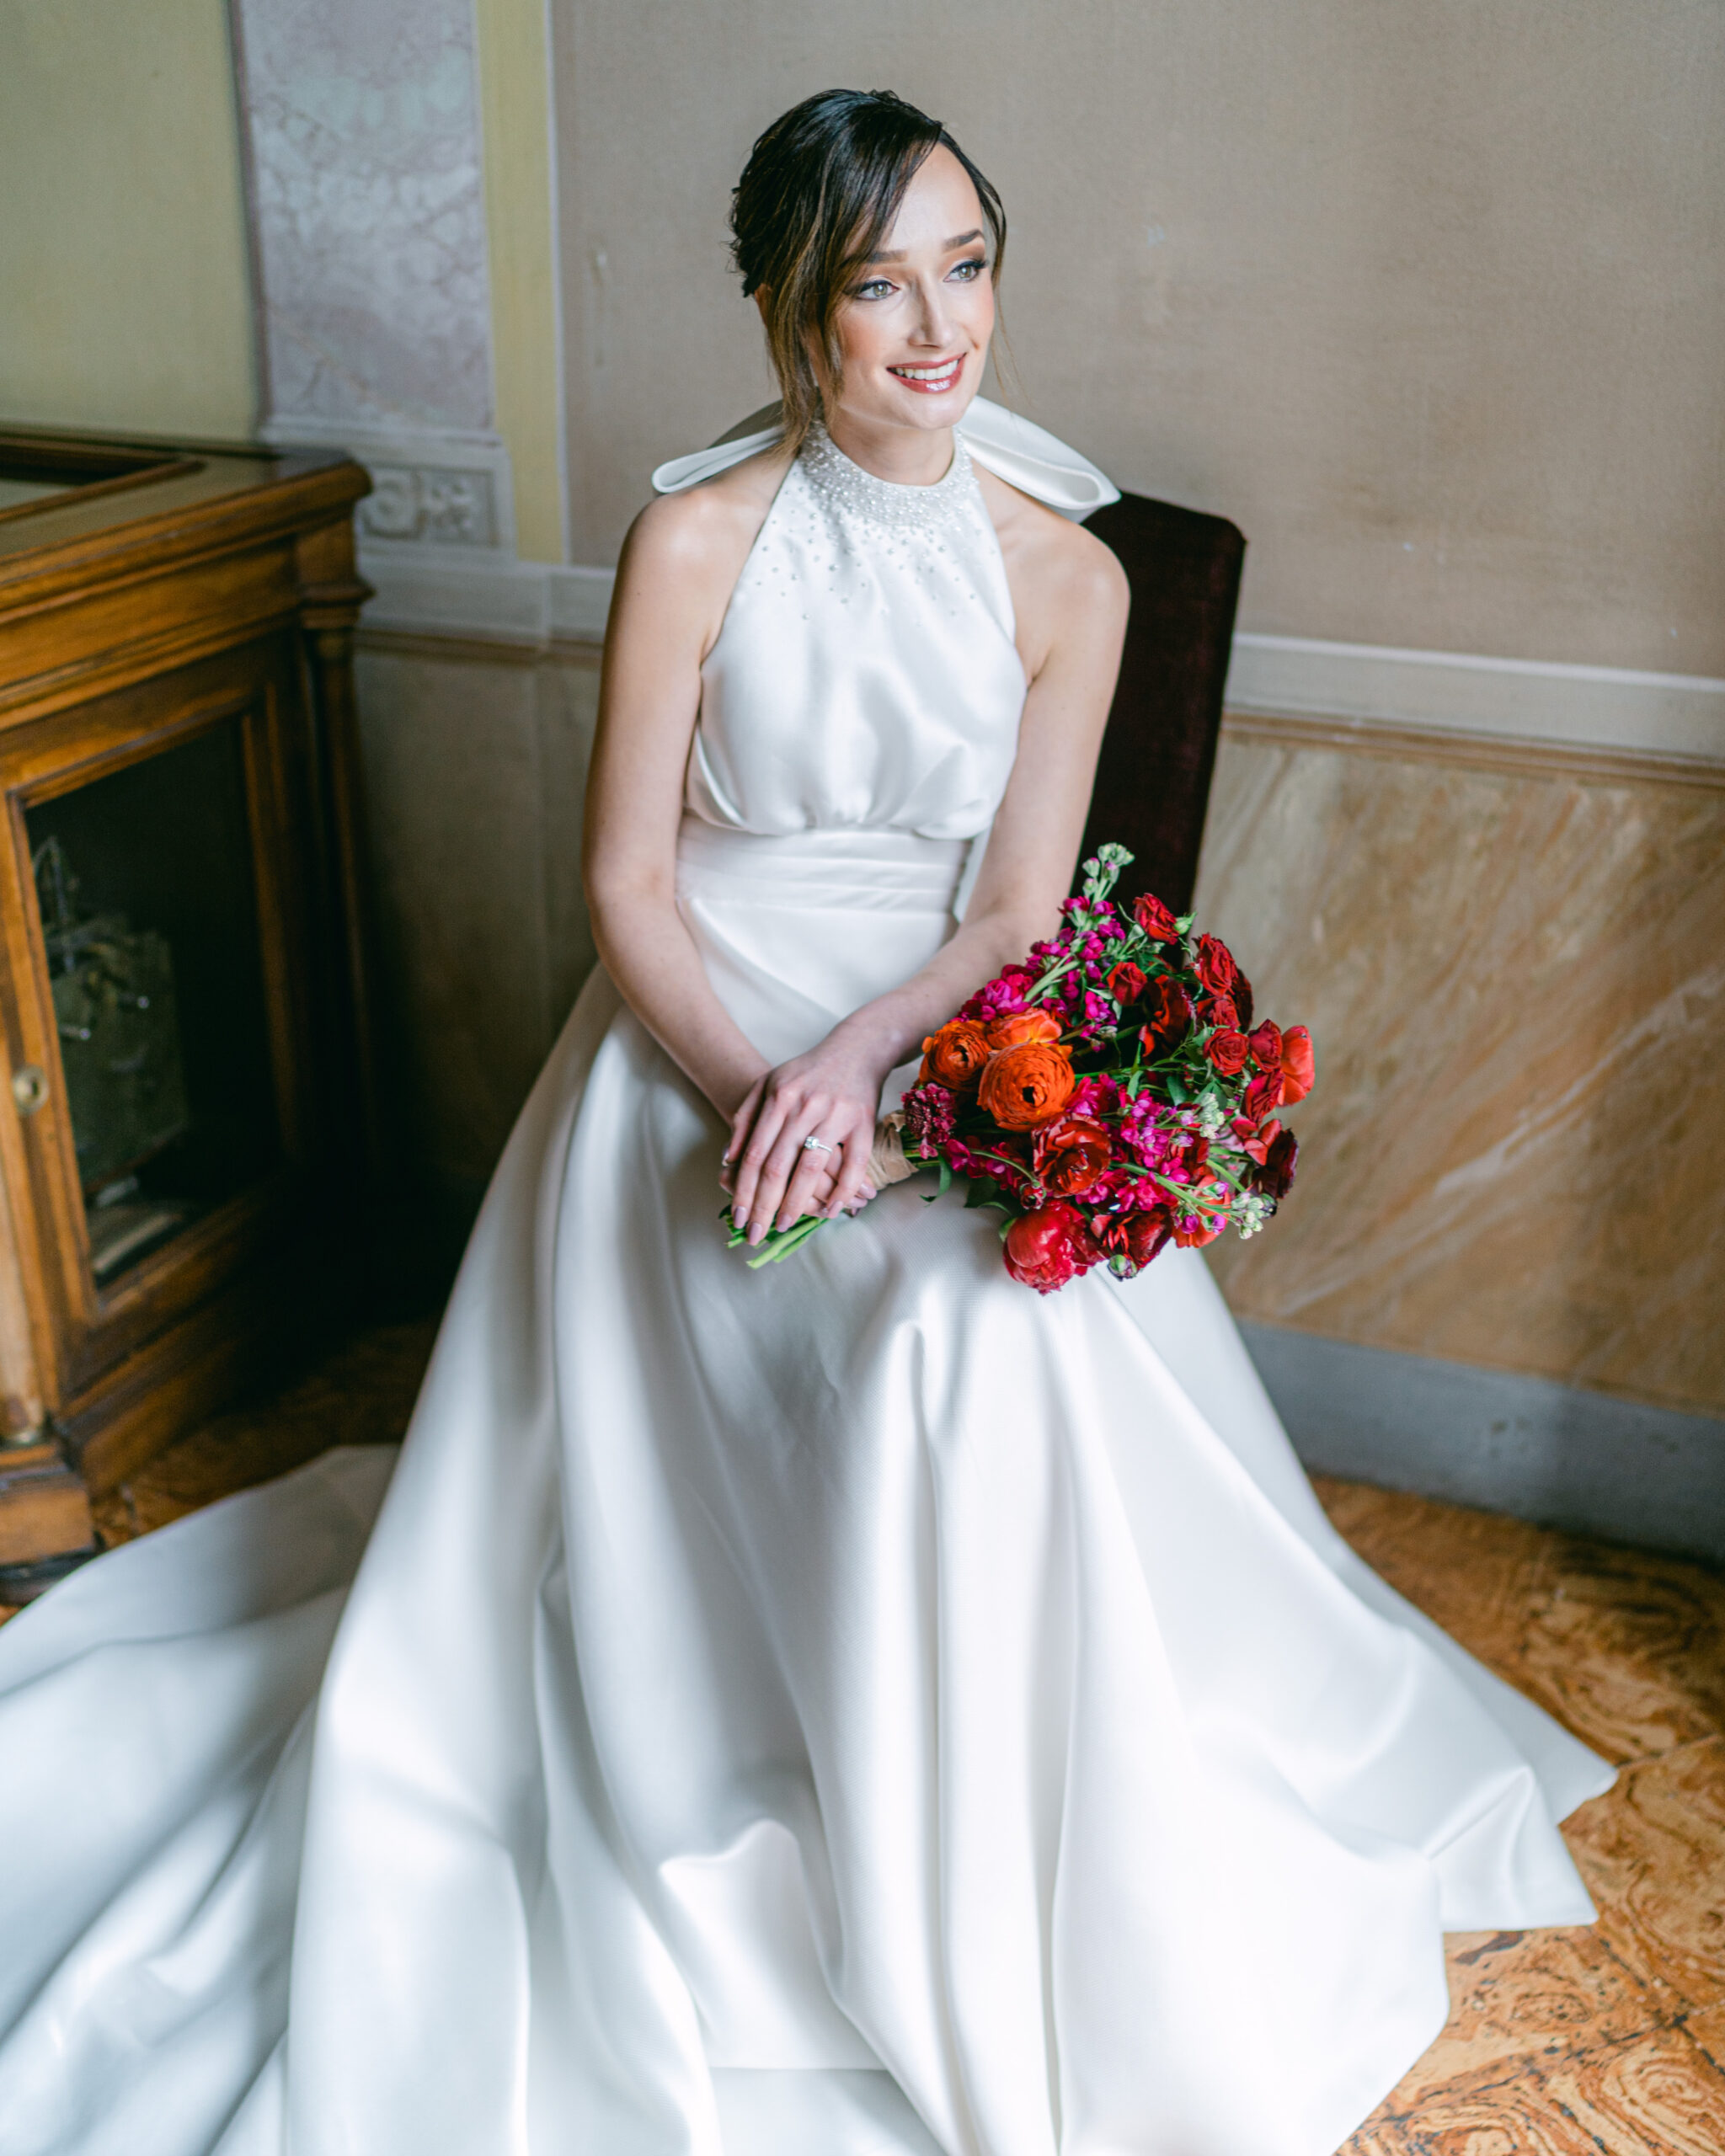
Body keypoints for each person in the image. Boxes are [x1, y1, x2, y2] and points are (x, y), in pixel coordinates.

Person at [0, 88, 1610, 2156]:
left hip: (926, 1030)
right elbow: (627, 888)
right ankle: (762, 1791)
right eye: (879, 284)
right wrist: (761, 1082)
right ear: (790, 312)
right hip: (694, 1028)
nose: (939, 328)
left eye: (967, 264)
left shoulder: (1072, 577)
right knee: (854, 1328)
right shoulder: (694, 539)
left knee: (971, 1334)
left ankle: (982, 1857)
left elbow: (1024, 906)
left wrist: (865, 1069)